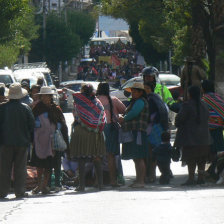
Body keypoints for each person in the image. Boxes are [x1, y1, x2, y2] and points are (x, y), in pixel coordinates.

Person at [31, 86, 69, 194]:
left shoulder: (55, 109)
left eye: (47, 96)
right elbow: (32, 123)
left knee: (49, 164)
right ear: (41, 96)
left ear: (51, 97)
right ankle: (39, 185)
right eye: (44, 96)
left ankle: (44, 185)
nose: (45, 98)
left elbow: (62, 124)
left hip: (52, 142)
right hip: (39, 141)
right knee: (39, 165)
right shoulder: (37, 108)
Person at [0, 83, 34, 198]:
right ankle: (19, 191)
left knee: (4, 168)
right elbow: (32, 125)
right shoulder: (26, 108)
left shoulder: (2, 108)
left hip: (5, 143)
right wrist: (30, 140)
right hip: (22, 143)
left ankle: (2, 191)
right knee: (20, 168)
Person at [70, 84, 106, 191]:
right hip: (95, 133)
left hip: (81, 132)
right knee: (97, 158)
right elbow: (102, 118)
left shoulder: (78, 103)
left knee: (82, 158)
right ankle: (100, 184)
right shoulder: (98, 103)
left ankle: (82, 185)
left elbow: (76, 116)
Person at [175, 85, 211, 185]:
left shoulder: (186, 105)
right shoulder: (204, 105)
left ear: (189, 94)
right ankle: (201, 178)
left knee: (191, 159)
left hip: (190, 137)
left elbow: (179, 119)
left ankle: (191, 178)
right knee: (202, 159)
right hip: (204, 138)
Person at [119, 82, 149, 188]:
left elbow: (134, 113)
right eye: (133, 92)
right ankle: (138, 179)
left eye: (136, 92)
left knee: (139, 156)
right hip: (134, 131)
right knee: (136, 157)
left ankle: (141, 181)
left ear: (141, 92)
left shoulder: (140, 101)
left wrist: (124, 118)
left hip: (138, 132)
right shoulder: (136, 101)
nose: (133, 94)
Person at [97, 82, 126, 187]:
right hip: (111, 129)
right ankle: (114, 181)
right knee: (111, 156)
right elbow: (124, 110)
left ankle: (98, 181)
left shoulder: (95, 101)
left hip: (98, 129)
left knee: (98, 156)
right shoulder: (113, 100)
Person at [144, 81, 169, 183]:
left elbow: (149, 114)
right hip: (158, 128)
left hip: (152, 128)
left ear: (149, 89)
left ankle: (152, 175)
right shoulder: (156, 98)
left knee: (152, 153)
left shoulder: (149, 99)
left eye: (145, 88)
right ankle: (161, 174)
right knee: (156, 152)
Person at [201, 80, 224, 180]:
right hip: (219, 127)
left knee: (212, 151)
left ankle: (212, 172)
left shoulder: (204, 99)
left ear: (203, 88)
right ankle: (213, 171)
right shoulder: (218, 97)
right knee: (218, 150)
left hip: (209, 129)